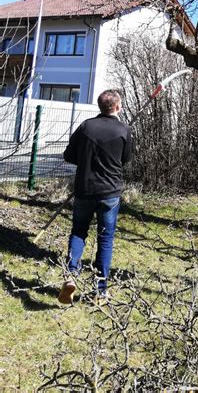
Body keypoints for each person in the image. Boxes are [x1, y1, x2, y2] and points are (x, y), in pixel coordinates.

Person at [58, 90, 132, 304]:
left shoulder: (86, 127)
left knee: (79, 231)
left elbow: (69, 155)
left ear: (100, 107)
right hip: (110, 193)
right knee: (105, 238)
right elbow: (125, 160)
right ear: (117, 107)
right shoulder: (124, 130)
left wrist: (87, 159)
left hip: (85, 189)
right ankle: (100, 290)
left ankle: (71, 274)